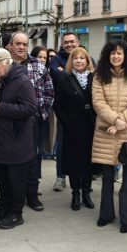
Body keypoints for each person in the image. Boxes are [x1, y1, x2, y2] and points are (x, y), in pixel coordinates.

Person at [91, 41, 127, 233]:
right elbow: (98, 102)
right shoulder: (99, 76)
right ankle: (105, 214)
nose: (116, 56)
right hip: (105, 132)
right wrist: (115, 120)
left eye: (119, 53)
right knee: (106, 177)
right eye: (112, 53)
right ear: (107, 55)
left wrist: (122, 122)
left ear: (126, 55)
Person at [0, 48, 38, 229]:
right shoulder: (1, 81)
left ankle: (16, 213)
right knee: (3, 178)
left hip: (17, 141)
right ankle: (4, 208)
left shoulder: (22, 81)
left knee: (16, 180)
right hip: (0, 140)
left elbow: (31, 108)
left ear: (6, 63)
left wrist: (3, 108)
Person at [7, 32, 53, 211]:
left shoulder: (38, 66)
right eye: (17, 43)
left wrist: (42, 113)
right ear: (10, 45)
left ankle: (32, 196)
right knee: (10, 160)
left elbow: (49, 91)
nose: (21, 47)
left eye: (24, 44)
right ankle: (9, 196)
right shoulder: (3, 65)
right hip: (8, 121)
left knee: (33, 158)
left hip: (33, 122)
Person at [52, 47, 96, 211]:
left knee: (88, 162)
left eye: (82, 58)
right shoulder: (65, 78)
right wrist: (65, 121)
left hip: (91, 127)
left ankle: (86, 193)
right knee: (74, 162)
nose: (78, 61)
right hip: (72, 128)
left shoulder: (94, 78)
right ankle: (75, 193)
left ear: (87, 61)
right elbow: (57, 104)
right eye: (75, 58)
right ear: (72, 61)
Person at [49, 32, 80, 191]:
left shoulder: (85, 55)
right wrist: (75, 73)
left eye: (72, 42)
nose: (69, 45)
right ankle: (60, 177)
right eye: (66, 42)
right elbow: (58, 75)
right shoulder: (55, 59)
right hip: (64, 110)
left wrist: (65, 71)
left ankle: (81, 177)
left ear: (78, 42)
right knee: (61, 144)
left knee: (82, 144)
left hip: (83, 111)